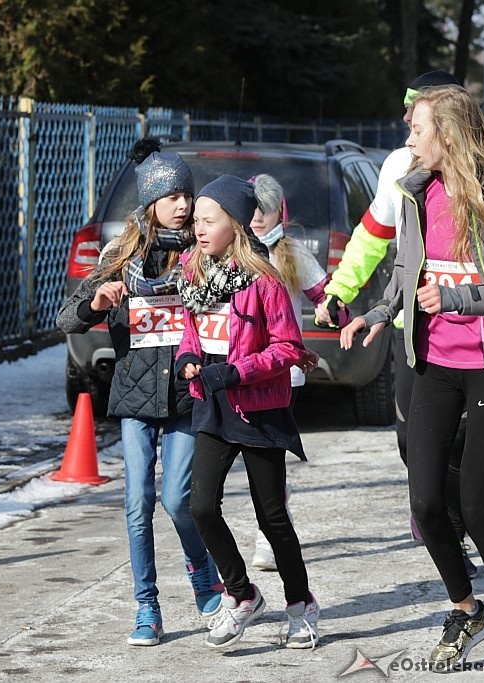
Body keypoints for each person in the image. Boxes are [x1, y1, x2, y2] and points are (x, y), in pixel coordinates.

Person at [314, 71, 484, 580]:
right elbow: (374, 236)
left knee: (468, 471)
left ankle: (463, 525)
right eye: (408, 112)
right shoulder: (402, 171)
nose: (408, 123)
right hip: (421, 333)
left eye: (417, 115)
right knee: (414, 448)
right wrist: (343, 294)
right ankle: (444, 524)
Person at [55, 140, 223, 647]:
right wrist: (96, 304)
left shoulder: (200, 255)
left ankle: (205, 581)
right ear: (151, 199)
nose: (182, 204)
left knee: (178, 501)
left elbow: (234, 304)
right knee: (136, 503)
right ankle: (147, 608)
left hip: (184, 394)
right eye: (171, 194)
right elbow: (66, 318)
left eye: (186, 195)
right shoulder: (120, 254)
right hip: (133, 399)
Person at [175, 174, 320, 651]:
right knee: (199, 506)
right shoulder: (193, 269)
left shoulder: (265, 280)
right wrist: (187, 358)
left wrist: (236, 372)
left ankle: (301, 605)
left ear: (234, 225)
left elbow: (288, 347)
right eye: (196, 220)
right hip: (213, 405)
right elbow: (192, 331)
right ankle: (242, 595)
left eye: (208, 221)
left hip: (258, 406)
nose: (198, 228)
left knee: (272, 515)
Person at [246, 173, 346, 571]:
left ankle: (268, 534)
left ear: (280, 212)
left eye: (266, 210)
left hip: (283, 374)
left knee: (270, 459)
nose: (258, 218)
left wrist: (332, 311)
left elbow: (328, 296)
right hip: (238, 371)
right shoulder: (230, 252)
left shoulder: (292, 253)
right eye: (252, 209)